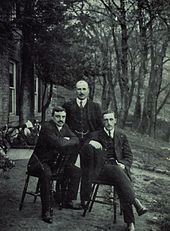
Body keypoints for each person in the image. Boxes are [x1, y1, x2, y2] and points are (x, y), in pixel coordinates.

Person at [80, 110, 148, 231]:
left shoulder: (121, 135)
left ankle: (130, 222)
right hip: (101, 171)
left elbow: (129, 156)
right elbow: (83, 147)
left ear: (115, 120)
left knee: (120, 180)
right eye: (106, 120)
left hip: (118, 171)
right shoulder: (95, 135)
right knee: (120, 176)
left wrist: (123, 164)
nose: (109, 122)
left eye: (111, 119)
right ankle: (135, 204)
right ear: (102, 121)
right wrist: (90, 142)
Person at [27, 106, 81, 223]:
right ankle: (46, 211)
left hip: (55, 163)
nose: (61, 119)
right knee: (47, 175)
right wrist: (66, 140)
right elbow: (58, 144)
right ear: (52, 117)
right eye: (58, 116)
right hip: (39, 162)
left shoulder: (64, 127)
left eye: (63, 117)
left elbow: (76, 139)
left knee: (76, 171)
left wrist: (65, 140)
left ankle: (67, 200)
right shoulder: (47, 127)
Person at [62, 80, 103, 205]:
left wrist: (93, 140)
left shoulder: (95, 107)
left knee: (87, 170)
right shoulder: (68, 106)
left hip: (88, 142)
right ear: (75, 90)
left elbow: (99, 127)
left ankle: (85, 199)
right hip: (72, 141)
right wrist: (67, 137)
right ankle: (67, 198)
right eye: (79, 89)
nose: (81, 92)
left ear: (88, 90)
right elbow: (63, 124)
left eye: (84, 89)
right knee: (70, 168)